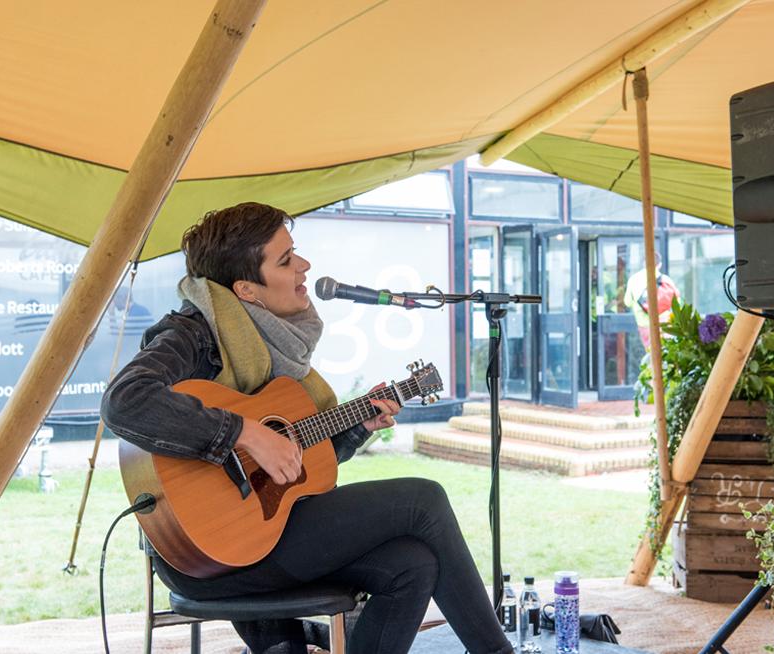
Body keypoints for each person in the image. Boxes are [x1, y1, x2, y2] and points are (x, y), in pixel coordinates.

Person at [101, 202, 513, 654]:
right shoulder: (193, 333)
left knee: (412, 564)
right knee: (424, 498)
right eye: (285, 260)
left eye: (294, 253)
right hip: (209, 553)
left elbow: (292, 468)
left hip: (265, 529)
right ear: (246, 290)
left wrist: (357, 428)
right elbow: (125, 401)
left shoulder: (276, 341)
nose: (304, 265)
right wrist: (245, 433)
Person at [623, 253, 679, 350]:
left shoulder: (634, 279)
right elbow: (677, 303)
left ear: (644, 263)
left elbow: (627, 302)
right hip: (664, 324)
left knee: (651, 353)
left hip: (644, 325)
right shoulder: (665, 280)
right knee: (667, 354)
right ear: (659, 264)